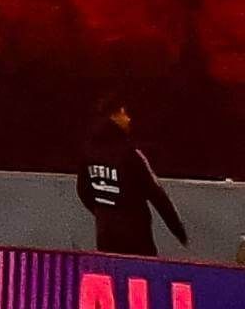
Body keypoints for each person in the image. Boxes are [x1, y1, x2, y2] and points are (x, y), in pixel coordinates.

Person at [76, 100, 182, 255]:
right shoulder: (130, 154)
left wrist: (103, 212)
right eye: (124, 113)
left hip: (105, 234)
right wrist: (178, 230)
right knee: (141, 274)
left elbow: (83, 190)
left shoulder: (90, 152)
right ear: (114, 116)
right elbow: (157, 195)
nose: (128, 119)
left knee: (112, 273)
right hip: (136, 236)